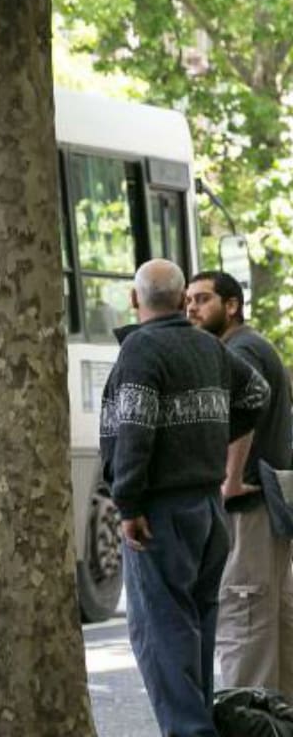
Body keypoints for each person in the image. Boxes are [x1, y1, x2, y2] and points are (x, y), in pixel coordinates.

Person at [101, 258, 269, 737]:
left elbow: (134, 432)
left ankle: (191, 732)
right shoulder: (209, 348)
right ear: (180, 300)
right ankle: (199, 723)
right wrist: (213, 439)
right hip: (207, 508)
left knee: (161, 634)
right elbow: (256, 393)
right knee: (197, 624)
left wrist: (128, 505)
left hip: (161, 512)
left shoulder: (140, 350)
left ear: (135, 301)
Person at [186, 270, 293, 696]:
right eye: (188, 300)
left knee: (244, 620)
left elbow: (245, 409)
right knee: (272, 623)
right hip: (268, 503)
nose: (192, 308)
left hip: (250, 505)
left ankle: (251, 720)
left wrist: (229, 480)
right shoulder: (252, 345)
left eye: (203, 299)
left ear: (232, 305)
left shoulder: (241, 349)